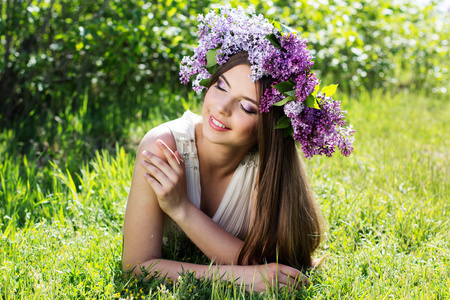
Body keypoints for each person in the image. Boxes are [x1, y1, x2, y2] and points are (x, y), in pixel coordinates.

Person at [122, 6, 354, 292]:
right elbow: (137, 267)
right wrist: (240, 277)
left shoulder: (264, 169)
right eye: (220, 86)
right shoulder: (162, 147)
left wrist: (183, 210)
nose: (221, 108)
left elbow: (274, 265)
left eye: (246, 106)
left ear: (268, 128)